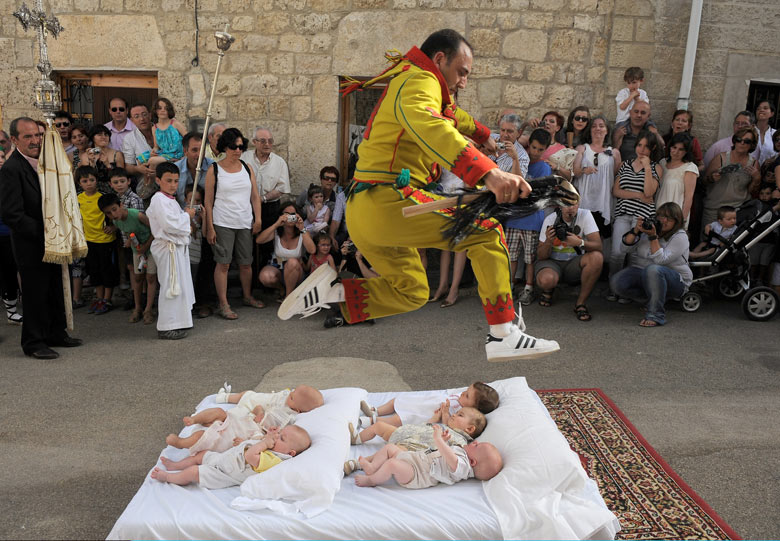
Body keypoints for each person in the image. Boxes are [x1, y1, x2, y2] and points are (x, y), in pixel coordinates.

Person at [278, 29, 559, 362]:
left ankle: (334, 292)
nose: (464, 82)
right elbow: (429, 123)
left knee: (412, 290)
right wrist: (488, 172)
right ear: (439, 59)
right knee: (486, 233)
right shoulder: (419, 80)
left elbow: (450, 116)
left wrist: (482, 133)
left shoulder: (417, 82)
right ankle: (503, 334)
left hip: (368, 213)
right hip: (387, 203)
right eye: (462, 72)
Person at [0, 117, 83, 359]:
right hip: (31, 243)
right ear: (14, 140)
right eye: (28, 136)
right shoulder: (11, 169)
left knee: (55, 287)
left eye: (37, 135)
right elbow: (12, 214)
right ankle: (33, 342)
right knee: (35, 293)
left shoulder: (47, 160)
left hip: (55, 239)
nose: (35, 140)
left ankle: (55, 333)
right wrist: (46, 232)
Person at [203, 128, 264, 319]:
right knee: (223, 264)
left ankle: (247, 296)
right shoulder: (214, 170)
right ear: (224, 147)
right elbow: (208, 201)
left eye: (240, 146)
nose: (237, 150)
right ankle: (223, 304)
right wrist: (210, 227)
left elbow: (255, 196)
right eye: (233, 147)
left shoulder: (247, 168)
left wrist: (258, 218)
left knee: (246, 263)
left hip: (244, 222)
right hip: (223, 222)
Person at [166, 385, 323, 452]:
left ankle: (181, 443)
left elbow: (267, 437)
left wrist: (246, 442)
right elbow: (257, 413)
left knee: (206, 436)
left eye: (292, 397)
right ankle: (196, 419)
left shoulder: (287, 420)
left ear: (298, 409)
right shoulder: (282, 403)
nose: (289, 394)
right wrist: (257, 411)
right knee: (219, 412)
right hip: (239, 420)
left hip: (240, 432)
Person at [610, 202, 692, 327]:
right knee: (617, 282)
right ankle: (653, 301)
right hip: (646, 274)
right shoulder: (649, 229)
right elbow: (625, 249)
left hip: (676, 281)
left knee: (653, 269)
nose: (664, 220)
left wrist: (653, 237)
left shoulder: (680, 236)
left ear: (677, 221)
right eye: (661, 216)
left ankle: (656, 314)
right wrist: (636, 230)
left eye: (669, 218)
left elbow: (661, 260)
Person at [151, 425, 311, 489]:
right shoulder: (271, 445)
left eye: (281, 438)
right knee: (201, 455)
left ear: (290, 453)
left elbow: (250, 456)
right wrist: (267, 436)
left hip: (223, 474)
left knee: (194, 472)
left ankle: (168, 477)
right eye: (279, 433)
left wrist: (265, 442)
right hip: (224, 459)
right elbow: (254, 445)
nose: (276, 437)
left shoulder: (275, 461)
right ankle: (175, 465)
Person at [347, 425, 502, 488]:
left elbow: (452, 461)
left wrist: (438, 439)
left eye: (477, 446)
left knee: (392, 464)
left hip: (417, 474)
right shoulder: (461, 453)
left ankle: (371, 480)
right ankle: (372, 467)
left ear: (473, 462)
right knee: (389, 448)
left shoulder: (463, 467)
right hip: (415, 458)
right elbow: (443, 454)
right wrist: (444, 442)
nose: (475, 442)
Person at [145, 162, 197, 340]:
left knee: (179, 284)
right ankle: (166, 326)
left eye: (176, 181)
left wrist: (185, 218)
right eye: (168, 180)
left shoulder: (170, 200)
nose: (173, 185)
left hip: (176, 249)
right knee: (170, 285)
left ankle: (179, 321)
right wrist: (187, 216)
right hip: (168, 249)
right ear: (158, 180)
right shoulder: (158, 199)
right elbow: (169, 224)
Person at [608, 132, 660, 301]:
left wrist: (647, 167)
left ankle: (627, 290)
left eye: (646, 146)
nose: (642, 150)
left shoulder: (656, 167)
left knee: (635, 256)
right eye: (639, 145)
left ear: (652, 148)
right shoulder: (625, 164)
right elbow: (616, 191)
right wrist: (638, 196)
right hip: (623, 214)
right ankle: (613, 287)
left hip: (642, 217)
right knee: (617, 253)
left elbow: (649, 192)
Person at [535, 201, 603, 321]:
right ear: (559, 205)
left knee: (597, 257)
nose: (570, 208)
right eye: (566, 204)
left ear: (579, 204)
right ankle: (548, 289)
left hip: (574, 263)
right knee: (547, 280)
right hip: (552, 262)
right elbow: (541, 256)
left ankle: (580, 303)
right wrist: (548, 241)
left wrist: (580, 242)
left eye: (573, 204)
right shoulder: (551, 219)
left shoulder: (585, 215)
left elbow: (598, 246)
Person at [506, 128, 551, 306]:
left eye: (540, 149)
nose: (536, 152)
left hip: (532, 219)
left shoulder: (544, 167)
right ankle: (509, 286)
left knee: (530, 258)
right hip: (514, 217)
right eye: (534, 147)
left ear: (546, 149)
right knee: (511, 256)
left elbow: (537, 193)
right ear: (528, 145)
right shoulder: (519, 160)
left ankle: (528, 288)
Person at [99, 192, 158, 324]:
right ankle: (137, 308)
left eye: (114, 209)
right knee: (137, 278)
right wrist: (132, 243)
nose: (113, 214)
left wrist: (145, 246)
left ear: (121, 205)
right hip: (137, 251)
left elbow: (155, 230)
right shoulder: (117, 221)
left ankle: (148, 310)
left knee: (151, 277)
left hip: (151, 249)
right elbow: (129, 233)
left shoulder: (137, 215)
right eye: (108, 213)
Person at [358, 381, 499, 429]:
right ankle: (375, 410)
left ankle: (371, 420)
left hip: (426, 412)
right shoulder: (461, 397)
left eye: (467, 395)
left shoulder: (462, 413)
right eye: (466, 391)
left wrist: (445, 413)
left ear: (474, 408)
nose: (463, 393)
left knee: (398, 419)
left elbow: (448, 424)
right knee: (397, 400)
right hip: (424, 402)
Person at [107, 168, 151, 319]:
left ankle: (143, 297)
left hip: (140, 241)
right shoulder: (115, 199)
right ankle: (136, 296)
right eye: (115, 182)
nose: (119, 185)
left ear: (129, 181)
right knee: (132, 269)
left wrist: (132, 241)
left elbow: (137, 223)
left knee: (141, 270)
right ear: (110, 184)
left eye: (122, 181)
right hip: (128, 241)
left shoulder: (134, 199)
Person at [76, 165, 119, 315]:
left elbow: (116, 214)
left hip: (105, 240)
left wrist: (114, 227)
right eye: (85, 181)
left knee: (107, 270)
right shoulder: (78, 198)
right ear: (79, 183)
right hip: (89, 241)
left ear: (97, 180)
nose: (89, 183)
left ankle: (107, 300)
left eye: (92, 180)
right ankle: (99, 299)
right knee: (94, 271)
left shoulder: (103, 197)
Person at [701, 126, 761, 230]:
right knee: (708, 239)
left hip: (737, 212)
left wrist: (757, 178)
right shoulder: (721, 158)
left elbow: (751, 191)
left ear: (752, 145)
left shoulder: (754, 163)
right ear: (734, 141)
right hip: (715, 210)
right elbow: (704, 181)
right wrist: (712, 178)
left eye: (746, 141)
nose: (741, 143)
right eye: (739, 139)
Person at [572, 114, 621, 240]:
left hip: (603, 200)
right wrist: (584, 170)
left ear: (607, 130)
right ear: (590, 130)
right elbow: (575, 172)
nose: (597, 128)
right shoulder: (582, 148)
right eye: (594, 126)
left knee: (602, 237)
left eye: (601, 126)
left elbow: (616, 176)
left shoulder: (614, 153)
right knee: (581, 235)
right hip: (585, 199)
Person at [256, 201, 316, 301]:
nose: (290, 217)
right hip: (278, 268)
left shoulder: (303, 232)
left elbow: (312, 250)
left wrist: (302, 228)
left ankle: (288, 298)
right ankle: (281, 289)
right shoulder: (277, 232)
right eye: (286, 214)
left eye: (293, 214)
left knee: (292, 262)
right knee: (265, 276)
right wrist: (276, 224)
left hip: (296, 271)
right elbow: (259, 240)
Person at [350, 405, 486, 448]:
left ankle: (365, 465)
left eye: (460, 415)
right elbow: (429, 425)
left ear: (469, 429)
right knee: (379, 426)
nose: (454, 415)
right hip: (402, 433)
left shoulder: (461, 442)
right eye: (456, 413)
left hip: (414, 447)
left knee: (390, 452)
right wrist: (438, 416)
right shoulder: (445, 427)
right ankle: (356, 439)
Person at [656, 132, 699, 228]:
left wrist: (682, 219)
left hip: (675, 216)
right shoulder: (662, 163)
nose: (676, 152)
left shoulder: (690, 167)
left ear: (686, 151)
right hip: (658, 211)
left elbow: (689, 197)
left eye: (681, 149)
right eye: (674, 147)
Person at [0, 150, 22, 325]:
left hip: (11, 233)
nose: (0, 161)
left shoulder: (11, 177)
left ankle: (12, 313)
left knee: (10, 272)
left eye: (1, 157)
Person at [123, 104, 156, 203]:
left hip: (168, 182)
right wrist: (138, 169)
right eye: (136, 116)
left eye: (144, 114)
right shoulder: (129, 138)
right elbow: (128, 167)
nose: (142, 119)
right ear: (131, 120)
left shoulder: (163, 131)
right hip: (146, 187)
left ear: (150, 115)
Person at [86, 124, 125, 193]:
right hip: (93, 192)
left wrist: (108, 164)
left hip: (114, 191)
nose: (103, 137)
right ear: (92, 138)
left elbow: (122, 177)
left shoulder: (117, 154)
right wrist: (92, 163)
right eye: (99, 135)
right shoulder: (86, 155)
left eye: (106, 135)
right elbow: (86, 178)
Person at [753, 100, 777, 166]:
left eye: (765, 108)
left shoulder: (775, 134)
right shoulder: (748, 131)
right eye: (758, 108)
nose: (761, 110)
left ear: (772, 113)